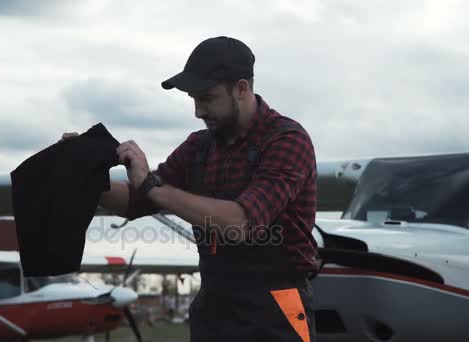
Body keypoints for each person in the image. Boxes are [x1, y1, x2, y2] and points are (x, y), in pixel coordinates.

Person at [64, 36, 318, 342]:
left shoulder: (288, 141)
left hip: (277, 307)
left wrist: (151, 186)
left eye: (208, 98)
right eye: (194, 100)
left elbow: (242, 223)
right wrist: (86, 174)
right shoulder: (199, 146)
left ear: (242, 89)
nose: (198, 111)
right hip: (214, 307)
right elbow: (135, 200)